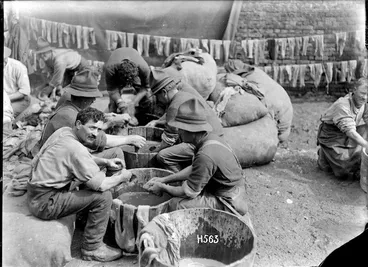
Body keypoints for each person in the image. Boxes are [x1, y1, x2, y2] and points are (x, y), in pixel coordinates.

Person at [27, 107, 132, 262]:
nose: (95, 133)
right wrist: (122, 177)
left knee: (94, 170)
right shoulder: (74, 148)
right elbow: (101, 185)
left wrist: (105, 161)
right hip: (45, 202)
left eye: (98, 129)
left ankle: (86, 217)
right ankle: (92, 248)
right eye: (91, 127)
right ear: (78, 124)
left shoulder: (65, 132)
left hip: (40, 190)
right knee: (104, 196)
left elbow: (81, 157)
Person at [144, 98, 248, 217]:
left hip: (229, 202)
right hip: (229, 189)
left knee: (175, 204)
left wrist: (162, 188)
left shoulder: (206, 155)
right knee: (180, 188)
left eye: (181, 129)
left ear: (192, 131)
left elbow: (189, 193)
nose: (179, 133)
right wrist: (164, 180)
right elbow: (193, 168)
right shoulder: (208, 139)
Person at [37, 68, 146, 159]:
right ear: (84, 98)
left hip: (57, 153)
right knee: (116, 152)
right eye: (92, 97)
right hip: (55, 161)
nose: (94, 100)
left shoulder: (68, 101)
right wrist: (130, 139)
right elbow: (100, 140)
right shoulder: (70, 116)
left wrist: (110, 118)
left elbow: (90, 118)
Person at [147, 68, 224, 172]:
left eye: (157, 95)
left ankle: (180, 179)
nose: (158, 100)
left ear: (164, 92)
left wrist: (155, 150)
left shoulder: (174, 106)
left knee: (162, 156)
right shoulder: (184, 93)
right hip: (215, 135)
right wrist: (157, 122)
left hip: (206, 142)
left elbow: (168, 140)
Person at [317, 78, 368, 186]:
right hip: (331, 136)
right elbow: (350, 132)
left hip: (348, 132)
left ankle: (347, 156)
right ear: (354, 90)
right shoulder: (342, 105)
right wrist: (366, 145)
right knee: (344, 172)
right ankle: (324, 155)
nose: (365, 97)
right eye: (362, 93)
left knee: (358, 157)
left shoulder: (365, 102)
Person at [104, 47, 151, 116]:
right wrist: (120, 102)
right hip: (116, 57)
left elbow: (145, 88)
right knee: (113, 104)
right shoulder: (110, 69)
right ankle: (113, 114)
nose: (128, 86)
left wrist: (133, 102)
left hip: (133, 54)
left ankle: (143, 114)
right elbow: (112, 90)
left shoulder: (144, 69)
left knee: (147, 99)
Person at [3, 46, 32, 119]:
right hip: (5, 99)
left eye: (4, 60)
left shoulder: (18, 67)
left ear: (6, 57)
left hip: (19, 100)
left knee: (5, 115)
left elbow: (24, 91)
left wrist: (6, 99)